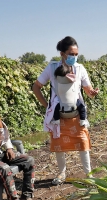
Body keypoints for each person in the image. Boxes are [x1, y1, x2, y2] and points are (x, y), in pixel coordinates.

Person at [32, 36, 99, 185]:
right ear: (62, 54)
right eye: (71, 54)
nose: (74, 57)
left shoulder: (80, 69)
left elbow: (88, 90)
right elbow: (36, 87)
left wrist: (92, 92)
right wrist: (47, 106)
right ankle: (62, 173)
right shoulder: (52, 68)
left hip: (76, 114)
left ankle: (89, 175)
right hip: (59, 115)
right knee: (59, 145)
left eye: (76, 54)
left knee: (83, 142)